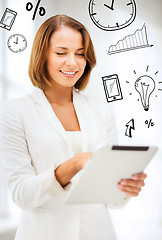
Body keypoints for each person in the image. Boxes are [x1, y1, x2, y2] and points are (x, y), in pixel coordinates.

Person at [0, 15, 146, 240]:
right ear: (42, 56)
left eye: (80, 54)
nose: (73, 62)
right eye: (61, 53)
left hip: (98, 233)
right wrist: (75, 164)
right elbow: (22, 195)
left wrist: (125, 188)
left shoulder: (101, 110)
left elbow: (112, 200)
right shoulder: (15, 111)